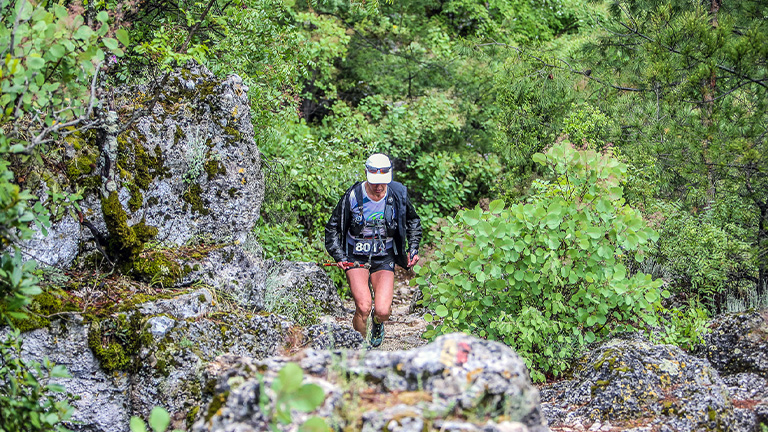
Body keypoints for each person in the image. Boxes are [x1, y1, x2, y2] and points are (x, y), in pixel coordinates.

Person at [325, 153, 422, 347]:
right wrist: (339, 256)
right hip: (355, 255)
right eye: (374, 182)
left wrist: (413, 248)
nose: (379, 187)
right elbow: (332, 228)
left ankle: (377, 323)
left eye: (383, 182)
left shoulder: (398, 194)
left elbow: (413, 221)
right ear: (366, 174)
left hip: (384, 255)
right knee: (363, 307)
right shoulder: (353, 196)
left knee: (383, 311)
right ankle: (359, 348)